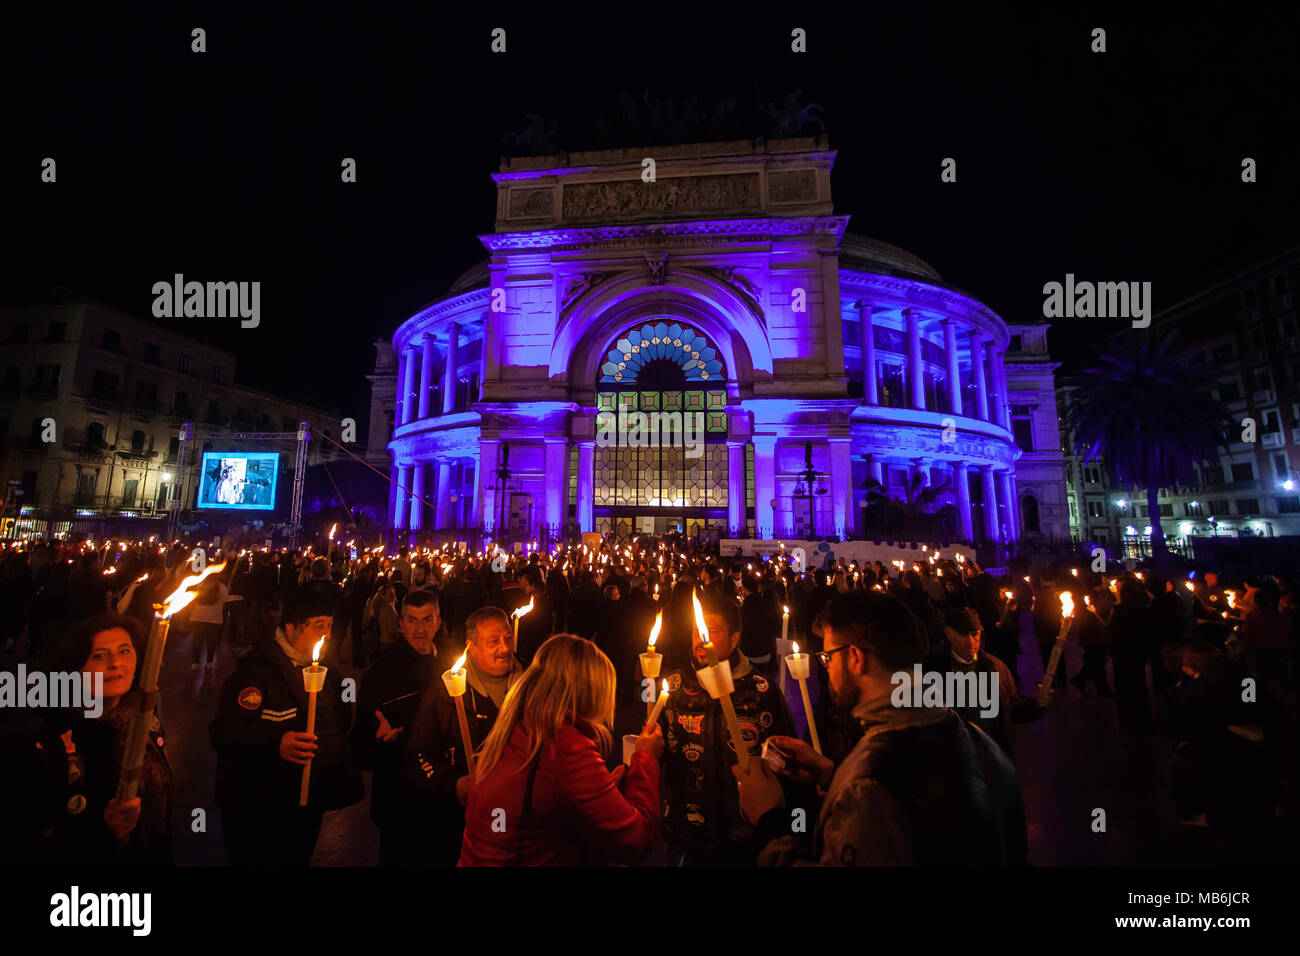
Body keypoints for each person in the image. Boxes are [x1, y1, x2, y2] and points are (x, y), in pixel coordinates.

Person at [734, 591, 1027, 866]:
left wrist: (769, 821)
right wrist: (832, 775)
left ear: (855, 658)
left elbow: (883, 802)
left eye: (828, 658)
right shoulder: (976, 738)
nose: (827, 669)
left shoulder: (870, 786)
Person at [458, 634, 663, 866]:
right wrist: (645, 758)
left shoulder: (519, 723)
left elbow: (546, 801)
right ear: (590, 692)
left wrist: (607, 790)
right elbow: (634, 839)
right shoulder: (565, 743)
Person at [209, 589, 359, 866]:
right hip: (258, 807)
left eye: (329, 626)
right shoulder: (256, 672)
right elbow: (223, 734)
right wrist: (275, 742)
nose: (327, 634)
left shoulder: (328, 673)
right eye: (318, 626)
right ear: (291, 627)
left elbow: (340, 722)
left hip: (305, 803)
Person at [13, 613, 174, 866]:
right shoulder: (51, 738)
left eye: (124, 651)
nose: (115, 663)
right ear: (75, 668)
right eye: (98, 655)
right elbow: (33, 833)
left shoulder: (143, 721)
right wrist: (104, 828)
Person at [658, 591, 799, 865]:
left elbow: (786, 762)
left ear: (735, 638)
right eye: (696, 631)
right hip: (686, 833)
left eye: (712, 632)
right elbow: (659, 751)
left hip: (746, 840)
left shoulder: (762, 692)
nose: (701, 640)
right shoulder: (673, 688)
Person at [400, 606, 522, 863]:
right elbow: (417, 756)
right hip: (461, 828)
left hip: (519, 826)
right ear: (472, 647)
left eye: (508, 638)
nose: (505, 647)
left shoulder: (530, 687)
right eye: (493, 641)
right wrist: (454, 785)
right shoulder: (446, 694)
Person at [351, 589, 441, 866]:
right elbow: (358, 750)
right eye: (412, 620)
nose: (420, 628)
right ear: (400, 624)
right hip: (399, 802)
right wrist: (379, 741)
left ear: (439, 621)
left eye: (427, 619)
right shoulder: (379, 675)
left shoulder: (455, 667)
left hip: (445, 802)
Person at [925, 605, 1050, 759]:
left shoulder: (996, 668)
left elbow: (1010, 711)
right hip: (955, 762)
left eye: (974, 634)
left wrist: (1035, 704)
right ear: (948, 633)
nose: (971, 642)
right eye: (963, 635)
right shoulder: (933, 671)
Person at [188, 570, 230, 671]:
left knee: (197, 640)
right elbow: (225, 600)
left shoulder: (199, 585)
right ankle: (209, 662)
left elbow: (191, 599)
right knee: (211, 641)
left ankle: (195, 662)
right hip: (214, 618)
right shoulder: (221, 587)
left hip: (198, 616)